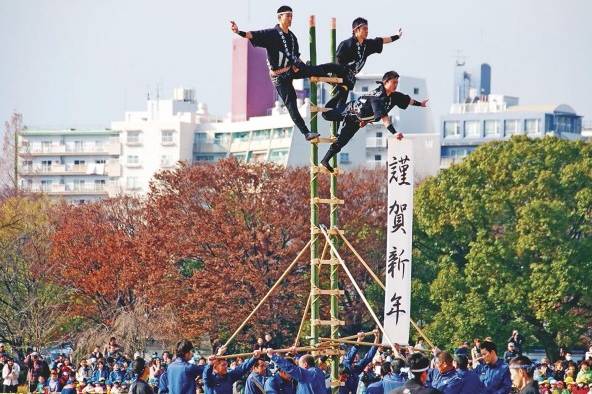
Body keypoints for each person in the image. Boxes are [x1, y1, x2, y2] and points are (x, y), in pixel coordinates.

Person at [230, 6, 347, 141]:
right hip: (279, 77)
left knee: (314, 69)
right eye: (288, 16)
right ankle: (306, 133)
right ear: (280, 17)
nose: (290, 18)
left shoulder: (292, 37)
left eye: (291, 16)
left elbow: (296, 55)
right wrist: (238, 31)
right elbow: (252, 35)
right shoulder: (271, 34)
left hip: (291, 70)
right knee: (291, 105)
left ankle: (337, 75)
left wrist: (299, 66)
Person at [319, 70, 428, 173]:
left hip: (358, 121)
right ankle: (341, 92)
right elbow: (385, 119)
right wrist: (394, 133)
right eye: (394, 82)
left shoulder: (394, 96)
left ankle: (325, 160)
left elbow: (408, 100)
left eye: (397, 82)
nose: (396, 85)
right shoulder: (377, 98)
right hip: (350, 111)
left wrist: (420, 104)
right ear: (386, 82)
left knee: (342, 141)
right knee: (326, 114)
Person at [325, 17, 402, 110]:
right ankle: (311, 69)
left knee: (340, 105)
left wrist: (397, 36)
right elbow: (338, 62)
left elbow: (381, 40)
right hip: (340, 74)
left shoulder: (367, 45)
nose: (367, 31)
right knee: (337, 82)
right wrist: (342, 74)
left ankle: (333, 111)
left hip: (349, 80)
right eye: (364, 28)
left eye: (367, 29)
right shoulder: (347, 44)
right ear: (356, 30)